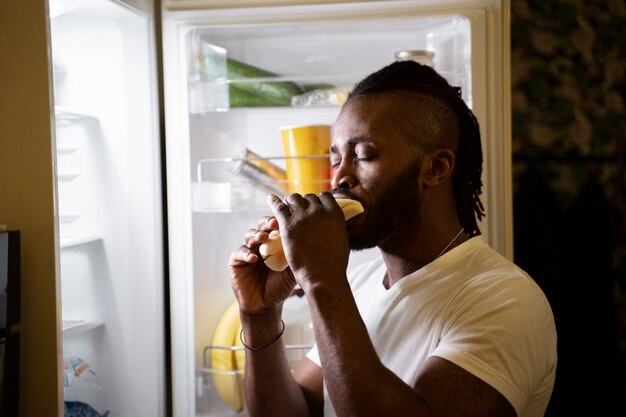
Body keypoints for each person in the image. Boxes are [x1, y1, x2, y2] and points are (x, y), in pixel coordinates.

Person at [228, 60, 557, 417]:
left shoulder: (504, 299)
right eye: (335, 159)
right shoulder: (358, 282)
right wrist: (259, 316)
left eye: (364, 155)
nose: (339, 178)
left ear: (434, 168)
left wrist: (323, 281)